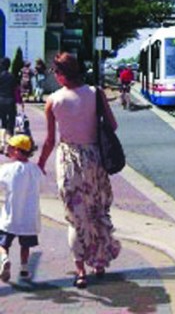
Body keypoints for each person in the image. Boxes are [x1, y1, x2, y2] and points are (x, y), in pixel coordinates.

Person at [37, 52, 121, 289]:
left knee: (75, 217)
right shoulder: (96, 94)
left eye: (56, 72)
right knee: (97, 211)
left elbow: (49, 140)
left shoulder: (53, 101)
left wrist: (41, 164)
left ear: (62, 75)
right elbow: (113, 125)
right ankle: (100, 263)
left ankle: (80, 270)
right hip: (95, 158)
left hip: (69, 160)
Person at [0, 134, 43, 282]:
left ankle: (4, 259)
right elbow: (41, 183)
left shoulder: (7, 169)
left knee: (2, 244)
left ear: (17, 151)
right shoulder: (35, 170)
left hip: (10, 216)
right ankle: (24, 269)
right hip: (29, 218)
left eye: (11, 148)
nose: (8, 149)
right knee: (25, 246)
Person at [0, 58, 19, 147]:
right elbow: (16, 90)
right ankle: (10, 142)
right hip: (11, 101)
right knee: (11, 122)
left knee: (3, 121)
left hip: (1, 101)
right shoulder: (12, 76)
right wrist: (19, 101)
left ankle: (2, 142)